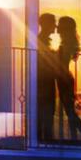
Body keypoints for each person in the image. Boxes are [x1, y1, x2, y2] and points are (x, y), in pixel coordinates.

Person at [56, 16, 81, 141]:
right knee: (70, 112)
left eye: (60, 25)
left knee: (70, 112)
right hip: (65, 78)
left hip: (64, 79)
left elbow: (61, 64)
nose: (57, 27)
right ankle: (77, 138)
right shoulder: (67, 44)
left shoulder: (66, 45)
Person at [37, 13, 57, 143]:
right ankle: (45, 141)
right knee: (46, 113)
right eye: (53, 22)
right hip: (44, 83)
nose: (55, 26)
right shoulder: (41, 40)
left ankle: (45, 139)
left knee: (47, 113)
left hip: (45, 83)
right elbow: (44, 62)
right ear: (46, 24)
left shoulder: (44, 40)